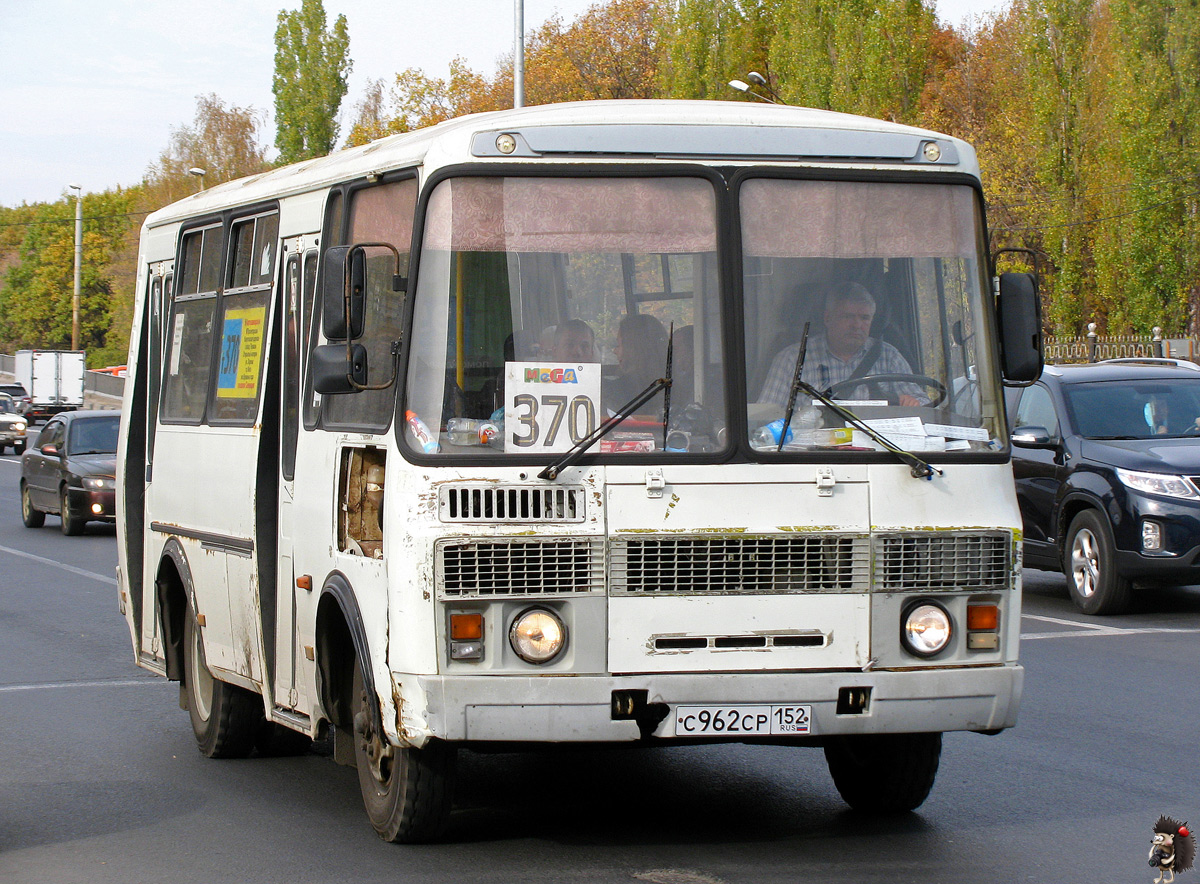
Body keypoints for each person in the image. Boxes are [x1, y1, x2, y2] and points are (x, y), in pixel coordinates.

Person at [758, 283, 926, 408]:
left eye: (865, 318)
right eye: (848, 316)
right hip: (813, 452)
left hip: (877, 448)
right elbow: (767, 415)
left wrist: (913, 402)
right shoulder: (792, 359)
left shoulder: (888, 356)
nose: (856, 325)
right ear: (828, 318)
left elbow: (926, 405)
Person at [607, 313, 668, 411]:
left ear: (634, 349)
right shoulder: (674, 387)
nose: (615, 351)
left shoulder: (616, 391)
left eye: (618, 344)